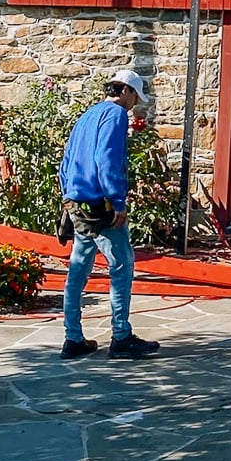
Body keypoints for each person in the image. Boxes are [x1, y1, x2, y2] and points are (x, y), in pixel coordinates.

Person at [59, 69, 160, 361]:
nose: (134, 106)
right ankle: (121, 336)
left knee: (78, 270)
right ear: (126, 91)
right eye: (135, 98)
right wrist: (117, 202)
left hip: (77, 203)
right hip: (100, 204)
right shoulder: (115, 116)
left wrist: (68, 196)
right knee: (122, 266)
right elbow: (107, 158)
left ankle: (73, 338)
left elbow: (66, 161)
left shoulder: (87, 115)